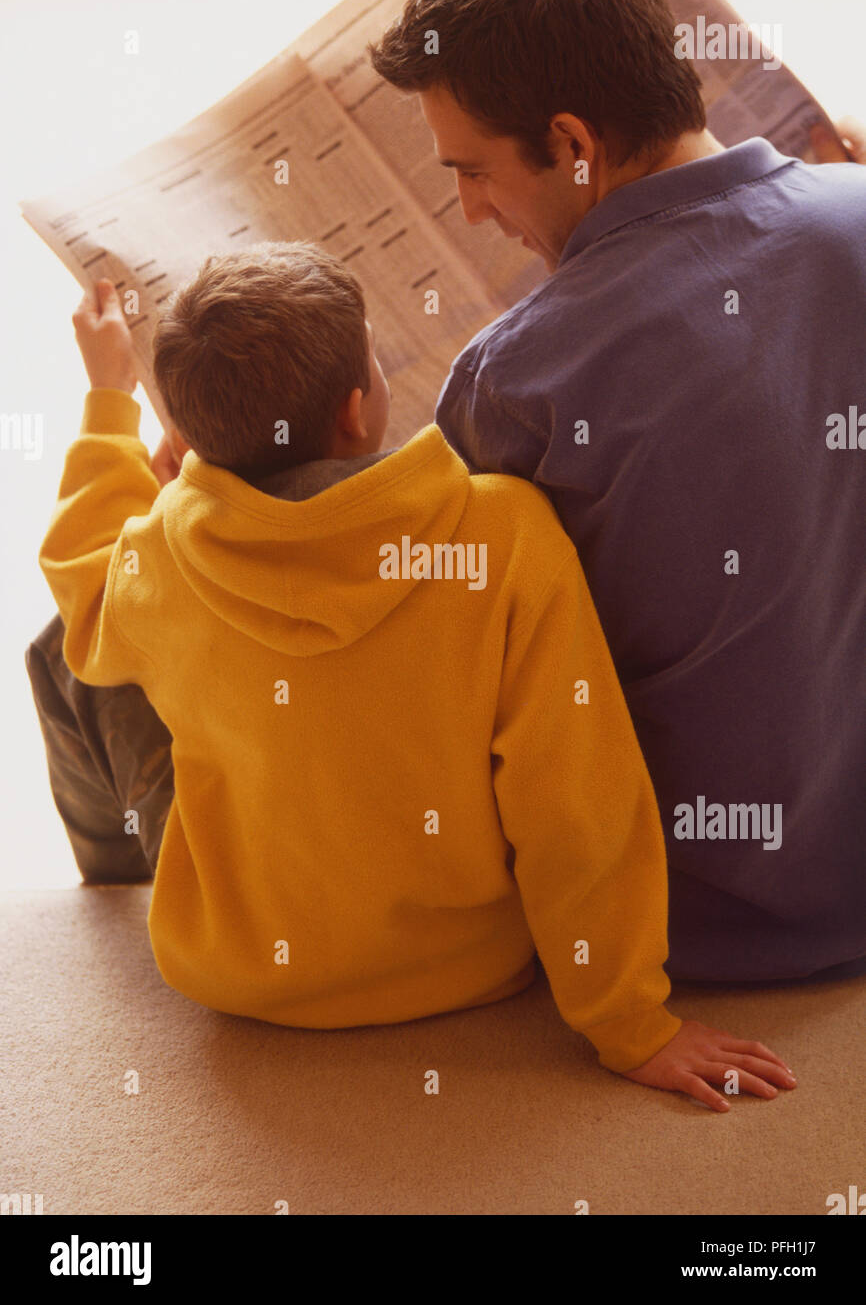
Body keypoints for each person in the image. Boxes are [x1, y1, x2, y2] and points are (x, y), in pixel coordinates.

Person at [27, 243, 796, 1110]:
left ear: (198, 435)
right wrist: (630, 1021)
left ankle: (109, 884)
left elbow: (84, 586)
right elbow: (578, 803)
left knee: (60, 657)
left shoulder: (164, 555)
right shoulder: (504, 538)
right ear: (357, 410)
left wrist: (107, 407)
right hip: (466, 972)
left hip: (240, 973)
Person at [369, 0, 866, 984]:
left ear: (573, 140)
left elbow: (410, 654)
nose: (469, 208)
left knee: (111, 631)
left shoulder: (516, 374)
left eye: (472, 170)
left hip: (676, 920)